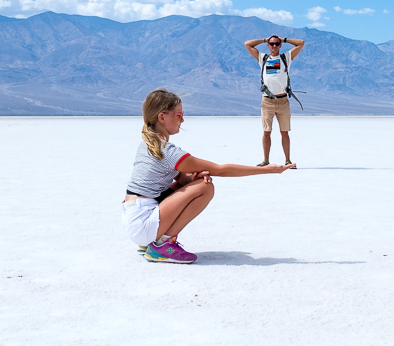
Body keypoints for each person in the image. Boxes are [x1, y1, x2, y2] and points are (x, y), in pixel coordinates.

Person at [123, 88, 295, 264]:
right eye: (179, 115)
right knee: (205, 188)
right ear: (162, 117)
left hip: (136, 218)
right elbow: (221, 169)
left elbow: (182, 181)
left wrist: (196, 176)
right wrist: (267, 170)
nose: (182, 120)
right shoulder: (167, 151)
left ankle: (152, 242)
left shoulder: (148, 145)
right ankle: (163, 244)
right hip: (143, 224)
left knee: (197, 184)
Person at [244, 34, 305, 166]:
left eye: (277, 44)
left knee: (284, 132)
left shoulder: (285, 58)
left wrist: (284, 39)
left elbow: (300, 43)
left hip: (283, 101)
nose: (274, 46)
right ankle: (266, 161)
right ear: (268, 45)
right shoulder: (263, 58)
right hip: (267, 102)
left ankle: (288, 160)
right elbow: (247, 44)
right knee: (266, 132)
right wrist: (264, 39)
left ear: (280, 45)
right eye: (272, 44)